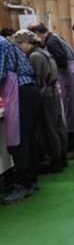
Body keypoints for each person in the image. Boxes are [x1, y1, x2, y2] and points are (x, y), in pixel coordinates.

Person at [27, 22, 74, 159]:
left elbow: (62, 61)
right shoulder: (54, 38)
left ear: (38, 34)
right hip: (71, 78)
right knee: (71, 114)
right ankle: (69, 148)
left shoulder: (52, 41)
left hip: (70, 79)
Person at [13, 30, 67, 173]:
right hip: (53, 92)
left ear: (25, 43)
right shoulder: (44, 51)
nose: (19, 48)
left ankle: (56, 161)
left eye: (19, 45)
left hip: (45, 95)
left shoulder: (35, 56)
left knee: (48, 128)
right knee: (57, 125)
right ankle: (62, 157)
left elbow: (36, 79)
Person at [0, 33, 41, 204]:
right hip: (28, 90)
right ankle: (31, 179)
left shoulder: (0, 44)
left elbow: (0, 74)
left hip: (20, 92)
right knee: (29, 138)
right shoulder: (5, 42)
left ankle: (23, 184)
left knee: (19, 140)